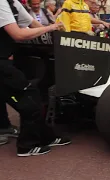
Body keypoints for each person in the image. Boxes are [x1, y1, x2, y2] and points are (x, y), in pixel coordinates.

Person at [0, 0, 71, 156]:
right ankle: (28, 146)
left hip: (6, 59)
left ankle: (43, 136)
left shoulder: (13, 3)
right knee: (30, 99)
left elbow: (32, 24)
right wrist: (51, 27)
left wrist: (55, 35)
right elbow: (17, 34)